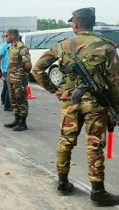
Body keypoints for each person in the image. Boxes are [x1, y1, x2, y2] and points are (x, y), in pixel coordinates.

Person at [32, 7, 119, 206]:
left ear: (75, 24)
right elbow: (115, 82)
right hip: (97, 106)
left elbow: (38, 69)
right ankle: (98, 192)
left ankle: (62, 184)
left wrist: (56, 91)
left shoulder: (63, 45)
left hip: (70, 102)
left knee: (65, 142)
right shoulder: (107, 46)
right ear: (92, 23)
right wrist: (115, 109)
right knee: (94, 145)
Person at [3, 29, 32, 132]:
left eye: (6, 36)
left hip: (19, 79)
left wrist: (22, 75)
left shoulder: (22, 48)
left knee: (21, 99)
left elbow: (28, 65)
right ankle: (17, 119)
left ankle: (23, 122)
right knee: (13, 99)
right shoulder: (10, 47)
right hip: (11, 78)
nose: (5, 38)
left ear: (13, 36)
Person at [0, 42, 13, 111]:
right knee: (9, 87)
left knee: (6, 85)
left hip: (10, 70)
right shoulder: (4, 46)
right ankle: (7, 105)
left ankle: (3, 100)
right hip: (6, 70)